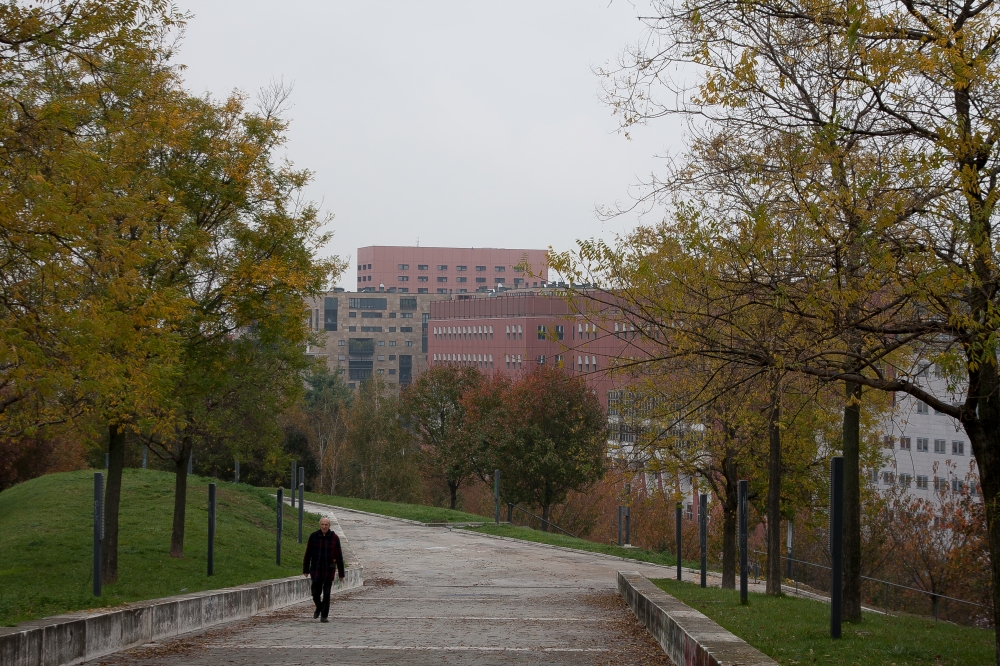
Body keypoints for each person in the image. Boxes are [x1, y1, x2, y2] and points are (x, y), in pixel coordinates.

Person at [302, 516, 345, 622]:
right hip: (316, 570)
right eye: (322, 524)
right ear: (320, 525)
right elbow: (308, 554)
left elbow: (339, 556)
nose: (324, 526)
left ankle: (324, 616)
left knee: (326, 594)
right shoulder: (313, 536)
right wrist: (306, 569)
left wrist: (341, 573)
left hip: (328, 570)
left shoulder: (334, 538)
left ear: (329, 526)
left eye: (326, 525)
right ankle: (319, 606)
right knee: (315, 593)